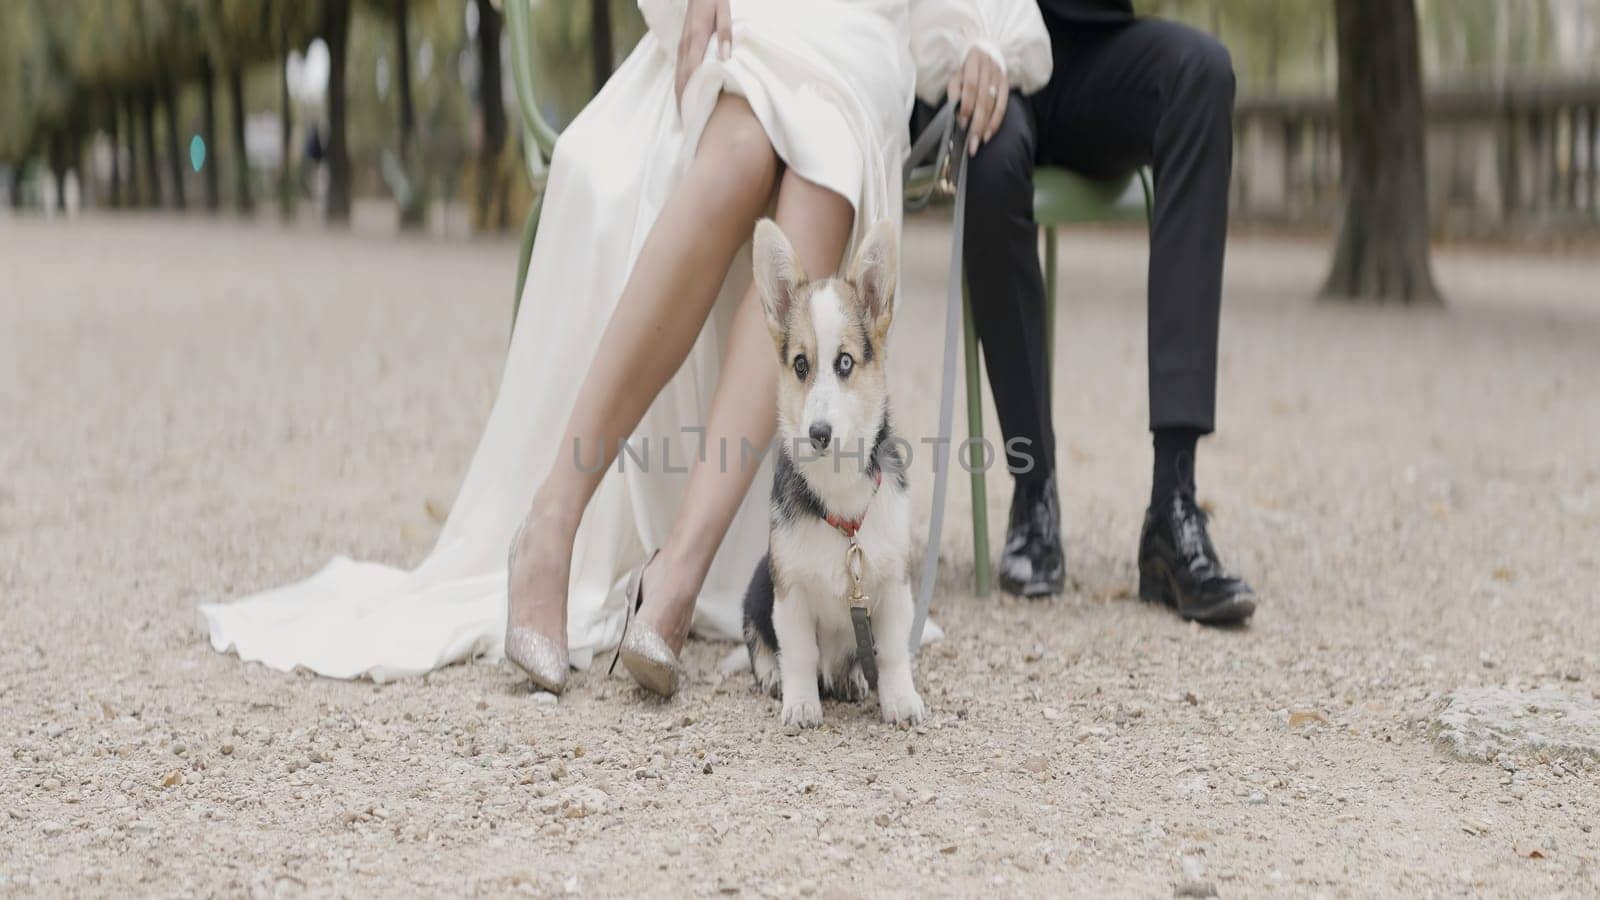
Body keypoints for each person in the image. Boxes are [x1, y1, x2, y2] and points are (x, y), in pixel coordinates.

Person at [199, 0, 1053, 693]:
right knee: (742, 136)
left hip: (862, 40)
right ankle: (551, 522)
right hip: (744, 21)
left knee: (827, 161)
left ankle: (676, 572)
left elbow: (981, 23)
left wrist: (983, 38)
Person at [959, 0, 1257, 621]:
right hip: (980, 41)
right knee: (990, 160)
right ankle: (1033, 490)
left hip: (1093, 52)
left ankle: (1173, 506)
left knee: (1202, 73)